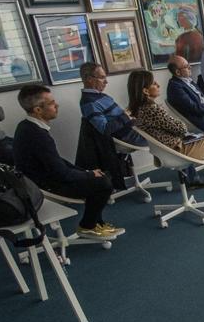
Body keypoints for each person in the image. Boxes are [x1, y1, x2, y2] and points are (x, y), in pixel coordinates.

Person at [12, 84, 123, 240]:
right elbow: (61, 173)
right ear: (38, 110)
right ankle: (88, 226)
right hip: (45, 184)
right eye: (51, 103)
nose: (56, 105)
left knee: (99, 176)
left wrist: (87, 172)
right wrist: (90, 175)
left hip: (44, 177)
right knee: (103, 183)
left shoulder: (28, 126)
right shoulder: (37, 135)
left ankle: (97, 223)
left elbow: (56, 161)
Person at [125, 69, 204, 206]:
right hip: (176, 150)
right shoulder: (152, 109)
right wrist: (179, 123)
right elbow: (180, 128)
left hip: (171, 148)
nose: (158, 85)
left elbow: (174, 128)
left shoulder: (140, 109)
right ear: (145, 91)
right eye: (154, 84)